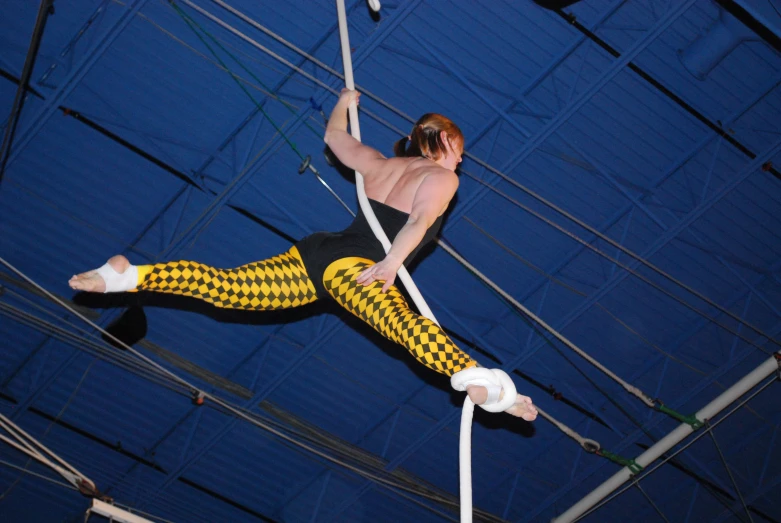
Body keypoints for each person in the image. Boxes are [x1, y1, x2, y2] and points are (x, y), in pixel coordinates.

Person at [69, 89, 537, 421]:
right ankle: (485, 384)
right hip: (352, 269)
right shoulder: (442, 178)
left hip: (316, 257)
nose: (461, 162)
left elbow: (335, 140)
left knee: (227, 289)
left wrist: (342, 104)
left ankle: (129, 277)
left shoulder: (381, 163)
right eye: (460, 152)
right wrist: (391, 264)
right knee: (402, 326)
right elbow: (418, 221)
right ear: (445, 143)